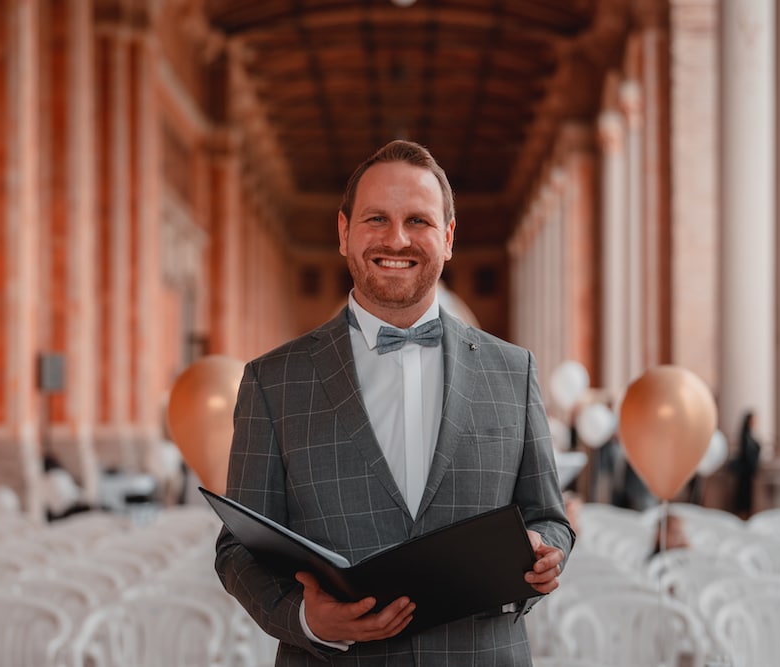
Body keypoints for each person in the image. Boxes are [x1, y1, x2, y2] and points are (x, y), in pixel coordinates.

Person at [215, 140, 576, 665]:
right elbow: (236, 549)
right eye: (376, 219)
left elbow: (550, 516)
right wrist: (305, 618)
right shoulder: (274, 381)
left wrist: (547, 550)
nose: (397, 239)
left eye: (419, 221)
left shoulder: (513, 371)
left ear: (449, 237)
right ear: (343, 233)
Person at [730, 410, 761, 518]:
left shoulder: (749, 436)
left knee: (746, 498)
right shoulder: (746, 437)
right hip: (745, 475)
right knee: (743, 498)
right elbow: (747, 456)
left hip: (748, 474)